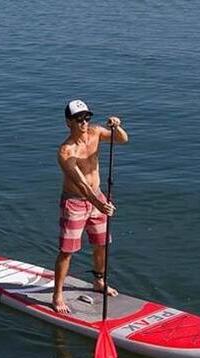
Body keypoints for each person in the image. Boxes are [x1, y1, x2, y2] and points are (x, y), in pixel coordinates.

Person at [53, 99, 129, 314]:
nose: (84, 122)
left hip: (97, 198)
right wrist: (101, 205)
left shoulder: (96, 133)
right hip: (75, 203)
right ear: (69, 122)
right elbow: (81, 185)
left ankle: (99, 281)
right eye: (79, 119)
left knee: (102, 244)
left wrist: (117, 126)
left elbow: (122, 140)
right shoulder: (65, 152)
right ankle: (57, 294)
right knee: (67, 251)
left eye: (87, 117)